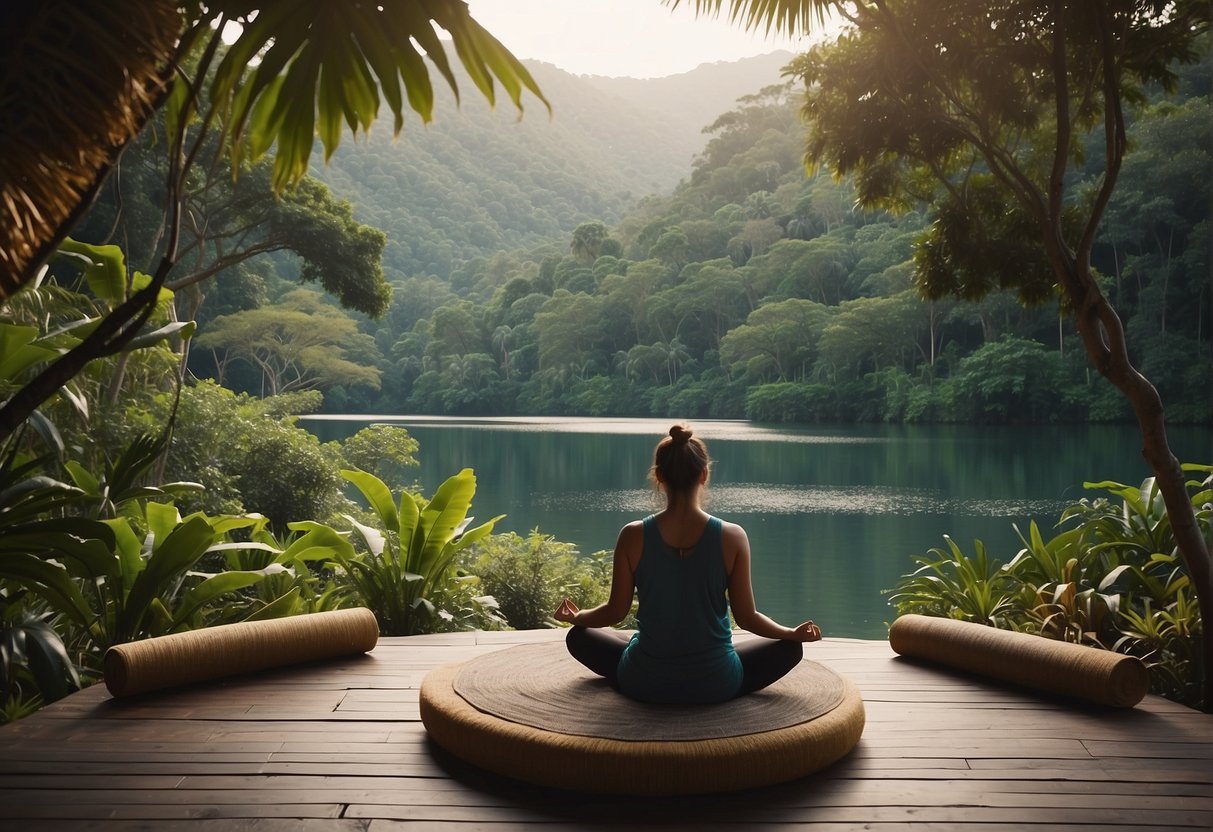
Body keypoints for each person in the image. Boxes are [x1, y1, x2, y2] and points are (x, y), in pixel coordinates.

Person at [554, 423, 821, 705]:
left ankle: (647, 665)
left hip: (644, 682)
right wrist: (790, 633)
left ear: (659, 477)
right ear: (704, 475)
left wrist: (578, 617)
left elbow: (614, 612)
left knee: (581, 637)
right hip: (716, 683)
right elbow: (747, 617)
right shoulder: (733, 536)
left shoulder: (632, 535)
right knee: (790, 650)